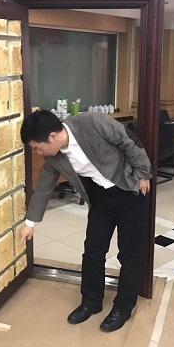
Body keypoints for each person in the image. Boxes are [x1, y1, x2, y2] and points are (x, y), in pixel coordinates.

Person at [19, 109, 151, 332]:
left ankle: (122, 307)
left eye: (38, 147)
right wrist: (29, 223)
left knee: (129, 255)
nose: (39, 152)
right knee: (92, 252)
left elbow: (129, 141)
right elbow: (43, 188)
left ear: (52, 136)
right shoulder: (54, 158)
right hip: (100, 200)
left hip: (129, 192)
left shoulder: (92, 122)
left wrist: (143, 173)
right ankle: (91, 301)